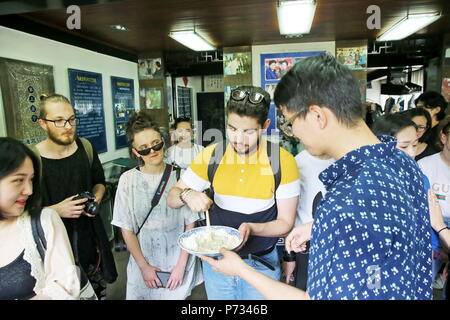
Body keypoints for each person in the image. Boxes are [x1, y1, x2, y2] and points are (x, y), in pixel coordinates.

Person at [201, 53, 432, 300]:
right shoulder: (402, 163)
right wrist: (318, 226)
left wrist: (241, 270)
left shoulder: (345, 202)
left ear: (317, 116)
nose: (293, 133)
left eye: (290, 122)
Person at [168, 85, 300, 300]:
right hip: (218, 266)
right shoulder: (212, 155)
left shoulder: (282, 161)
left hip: (261, 266)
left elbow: (285, 223)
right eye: (232, 128)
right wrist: (187, 194)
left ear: (265, 126)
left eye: (248, 131)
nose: (238, 139)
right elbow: (172, 198)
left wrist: (252, 228)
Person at [32, 93, 117, 299]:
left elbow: (99, 182)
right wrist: (55, 210)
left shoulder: (85, 147)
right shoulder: (32, 159)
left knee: (95, 293)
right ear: (43, 124)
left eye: (71, 119)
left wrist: (96, 196)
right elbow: (20, 213)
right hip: (53, 250)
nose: (68, 126)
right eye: (59, 121)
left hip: (89, 243)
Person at [111, 111, 203, 300]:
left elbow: (190, 224)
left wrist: (181, 266)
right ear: (135, 152)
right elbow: (126, 228)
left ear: (163, 140)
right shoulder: (127, 181)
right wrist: (144, 267)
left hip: (178, 258)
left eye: (156, 144)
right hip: (143, 258)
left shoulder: (181, 176)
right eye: (144, 149)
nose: (152, 151)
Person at [0, 137, 79, 300]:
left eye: (31, 180)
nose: (29, 190)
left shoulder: (44, 221)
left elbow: (65, 286)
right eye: (19, 180)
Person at [282, 150, 335, 290]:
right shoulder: (297, 162)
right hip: (303, 246)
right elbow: (289, 215)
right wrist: (289, 258)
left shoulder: (345, 160)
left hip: (335, 244)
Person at [418, 116, 450, 298]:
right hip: (430, 226)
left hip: (442, 226)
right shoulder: (425, 165)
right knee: (423, 277)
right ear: (443, 137)